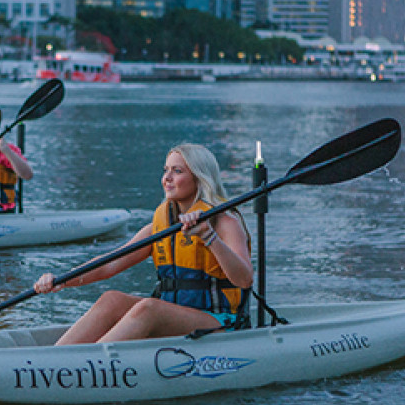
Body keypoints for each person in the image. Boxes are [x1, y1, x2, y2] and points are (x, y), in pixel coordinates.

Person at [34, 143, 253, 345]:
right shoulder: (160, 227)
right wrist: (62, 280)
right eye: (165, 170)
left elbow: (244, 279)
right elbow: (110, 264)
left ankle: (87, 366)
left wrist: (209, 238)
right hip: (175, 314)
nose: (167, 177)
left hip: (220, 321)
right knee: (112, 300)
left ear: (199, 178)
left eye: (177, 171)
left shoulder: (225, 223)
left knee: (149, 308)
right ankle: (53, 360)